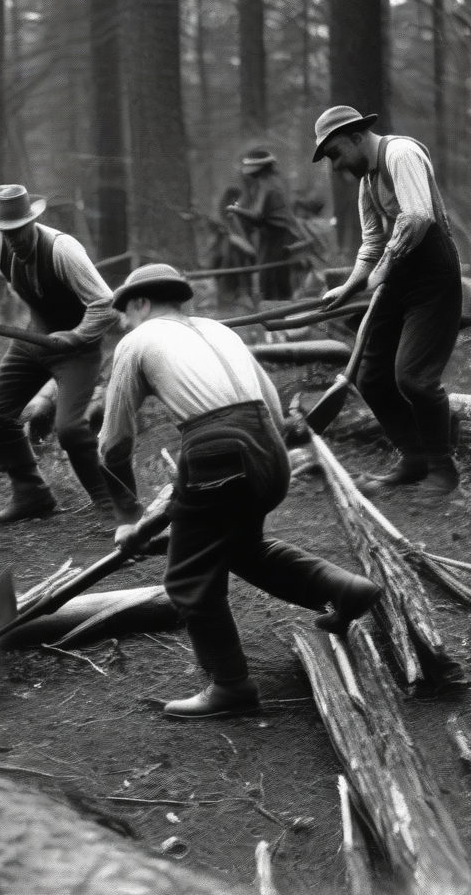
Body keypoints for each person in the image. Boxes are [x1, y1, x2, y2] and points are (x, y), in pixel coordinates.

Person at [99, 263, 380, 718]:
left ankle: (230, 687)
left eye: (124, 314)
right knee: (241, 547)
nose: (124, 325)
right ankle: (345, 589)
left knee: (188, 579)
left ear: (139, 303)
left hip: (219, 451)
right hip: (270, 449)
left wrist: (127, 519)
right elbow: (270, 406)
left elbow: (113, 444)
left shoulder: (136, 341)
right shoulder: (219, 330)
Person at [0, 184, 126, 523]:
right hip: (32, 340)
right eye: (6, 233)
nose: (14, 240)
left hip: (77, 351)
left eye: (19, 232)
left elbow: (106, 305)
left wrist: (77, 334)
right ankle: (32, 494)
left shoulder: (62, 249)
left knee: (69, 429)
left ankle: (111, 506)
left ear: (32, 223)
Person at [313, 105, 462, 497]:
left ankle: (444, 472)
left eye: (335, 154)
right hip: (398, 277)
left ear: (357, 136)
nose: (335, 166)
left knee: (414, 377)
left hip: (433, 279)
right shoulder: (368, 180)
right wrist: (347, 287)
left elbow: (417, 217)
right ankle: (414, 459)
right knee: (371, 377)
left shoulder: (401, 154)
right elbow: (372, 243)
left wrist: (383, 270)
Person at [224, 148, 300, 300]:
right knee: (276, 280)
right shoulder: (269, 183)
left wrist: (236, 210)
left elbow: (259, 217)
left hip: (277, 240)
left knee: (271, 280)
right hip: (273, 238)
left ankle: (275, 314)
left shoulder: (267, 185)